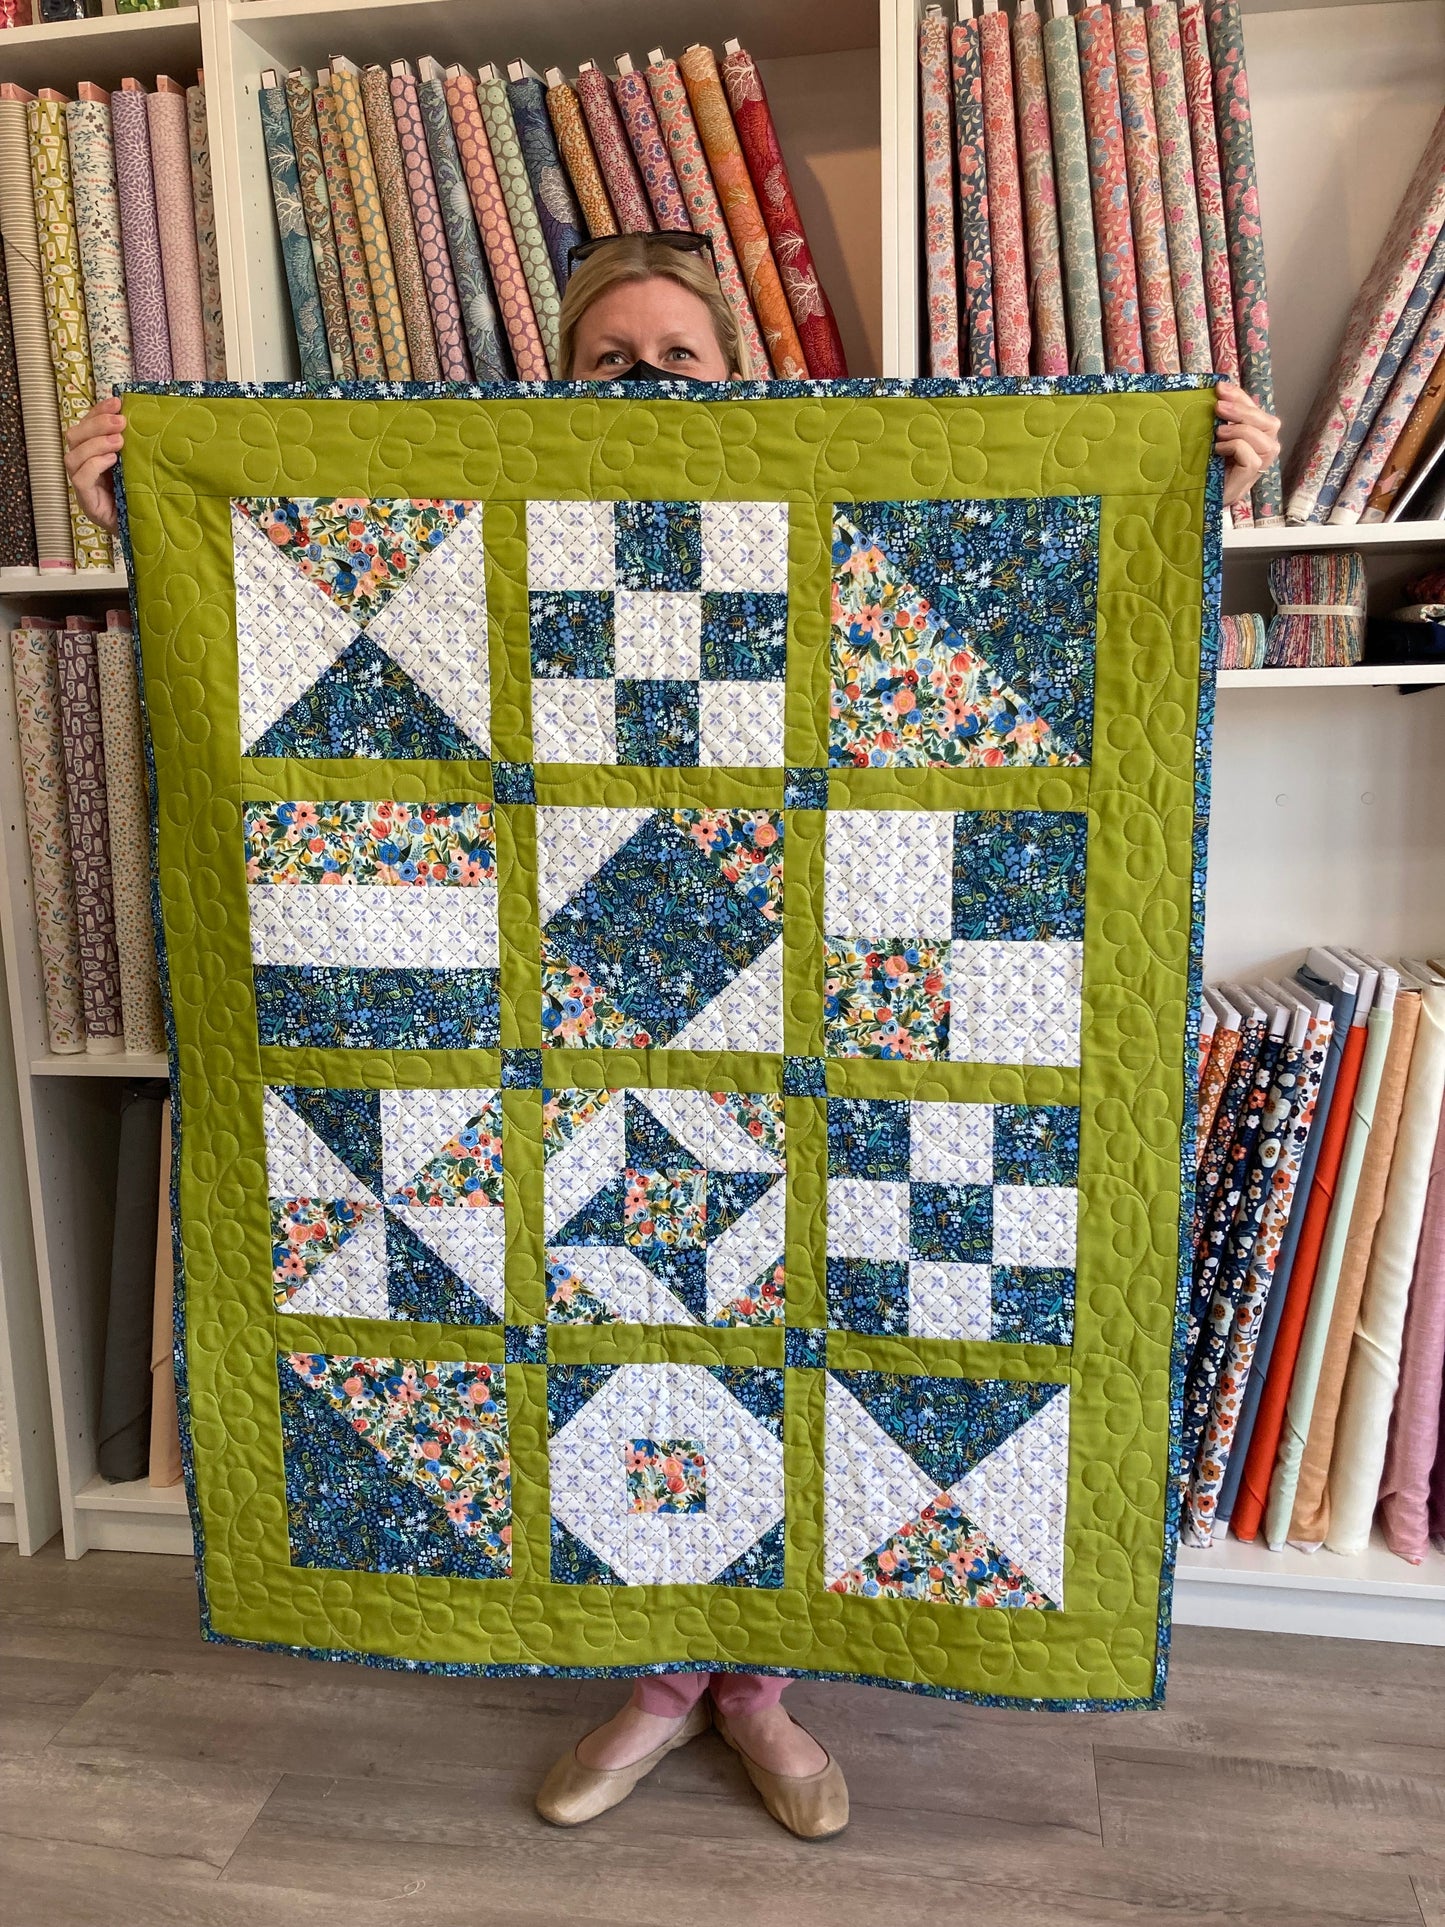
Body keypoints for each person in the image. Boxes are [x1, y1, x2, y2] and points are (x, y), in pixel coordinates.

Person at [61, 233, 1282, 1842]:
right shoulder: (492, 550)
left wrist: (1193, 484)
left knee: (816, 1322)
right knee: (615, 1331)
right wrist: (153, 506)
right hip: (576, 1057)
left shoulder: (821, 535)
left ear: (742, 379)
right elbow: (342, 650)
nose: (644, 382)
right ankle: (653, 1685)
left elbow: (1048, 626)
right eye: (609, 359)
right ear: (558, 387)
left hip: (814, 1037)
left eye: (678, 358)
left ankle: (756, 1693)